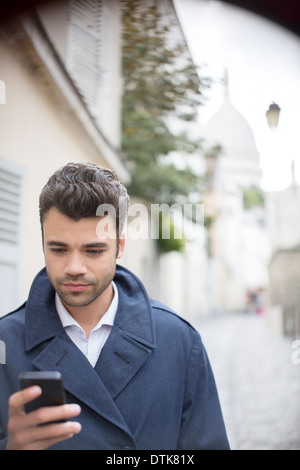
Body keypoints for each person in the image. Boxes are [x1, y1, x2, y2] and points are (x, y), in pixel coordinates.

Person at [0, 162, 229, 450]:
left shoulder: (179, 341)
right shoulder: (4, 342)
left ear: (120, 246)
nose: (74, 267)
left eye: (93, 250)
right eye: (58, 249)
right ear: (43, 242)